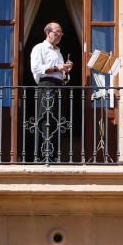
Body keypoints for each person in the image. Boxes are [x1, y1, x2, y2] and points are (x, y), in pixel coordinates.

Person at [29, 22, 73, 162]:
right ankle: (43, 156)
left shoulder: (58, 51)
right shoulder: (39, 48)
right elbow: (36, 69)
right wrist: (57, 68)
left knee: (57, 121)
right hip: (46, 86)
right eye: (57, 32)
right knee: (45, 120)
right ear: (48, 33)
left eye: (61, 33)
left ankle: (54, 155)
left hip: (59, 87)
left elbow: (60, 73)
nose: (60, 35)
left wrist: (65, 69)